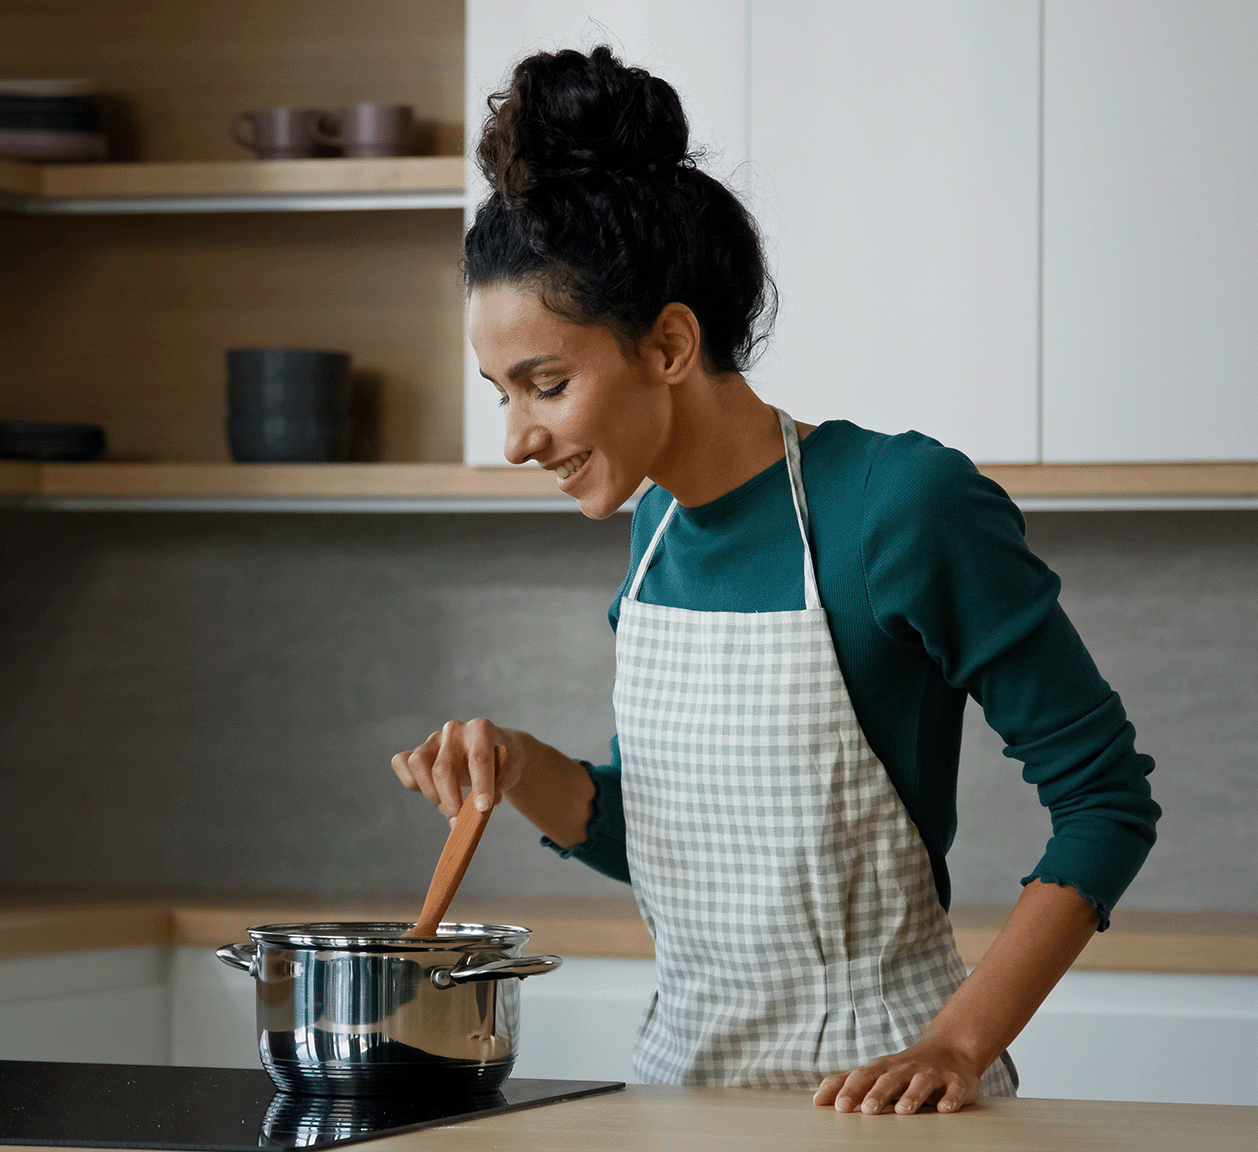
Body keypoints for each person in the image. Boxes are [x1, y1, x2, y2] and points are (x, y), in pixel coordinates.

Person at [390, 46, 1160, 1116]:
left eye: (545, 385)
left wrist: (953, 1047)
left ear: (667, 344)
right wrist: (514, 766)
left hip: (884, 1104)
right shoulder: (654, 521)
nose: (516, 438)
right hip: (676, 1098)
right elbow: (662, 845)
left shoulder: (899, 503)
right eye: (498, 394)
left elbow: (1103, 802)